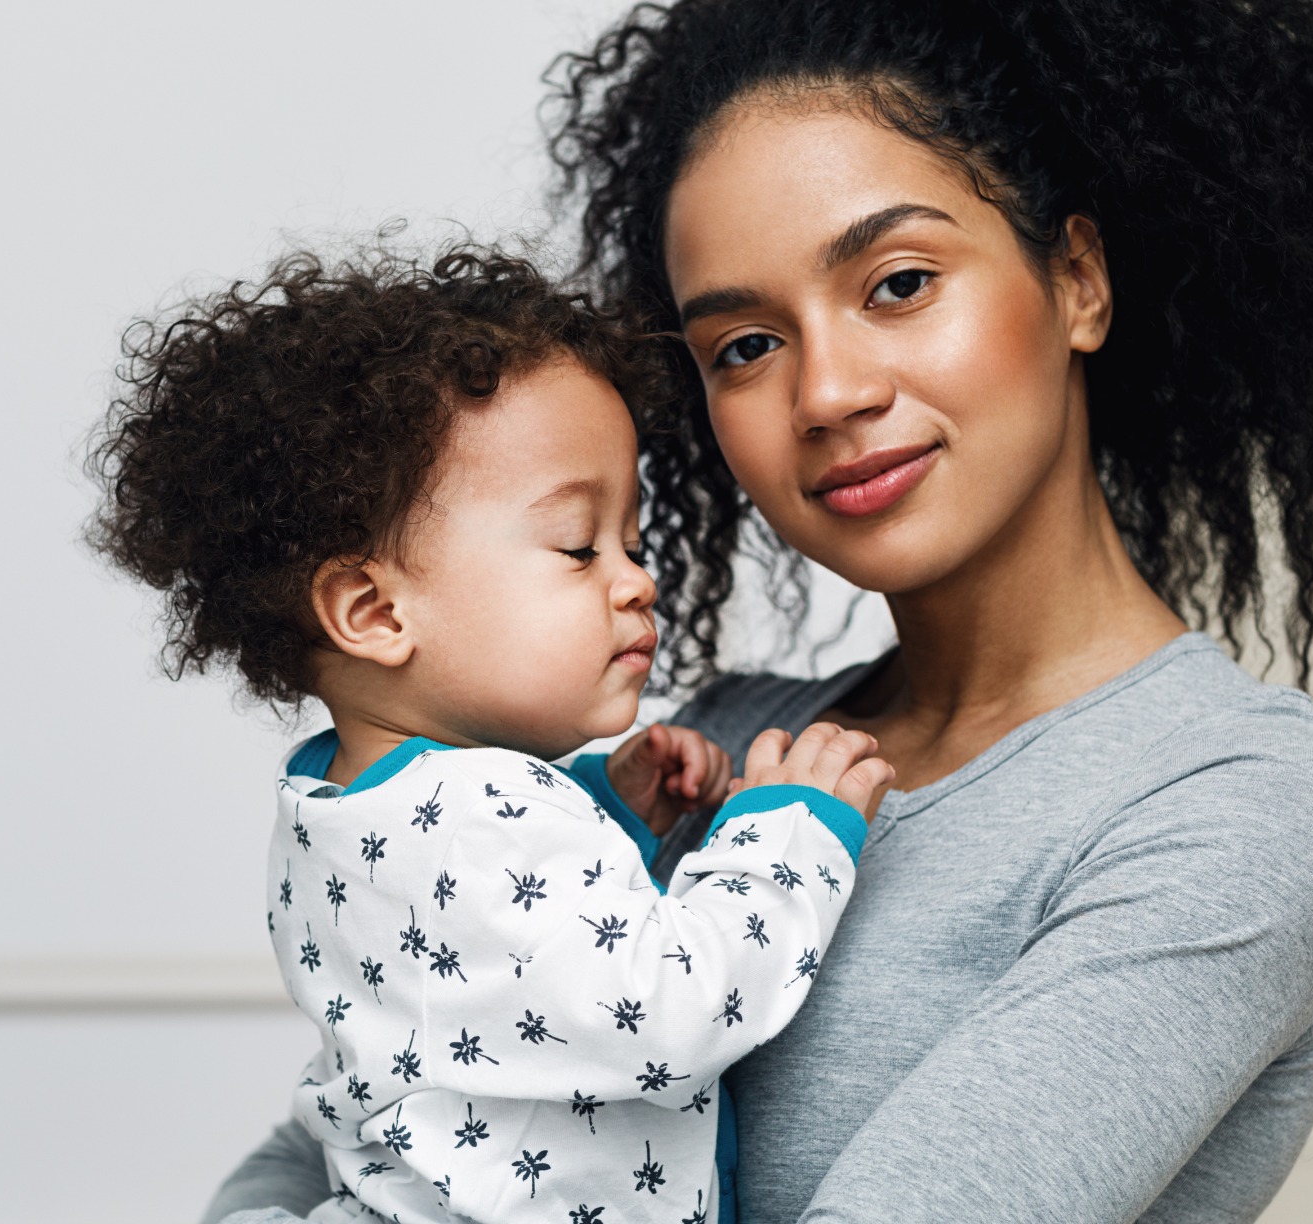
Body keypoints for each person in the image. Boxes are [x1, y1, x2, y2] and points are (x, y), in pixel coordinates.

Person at [205, 1, 1313, 1220]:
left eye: (898, 283)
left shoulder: (1227, 806)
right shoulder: (705, 753)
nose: (828, 390)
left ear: (1075, 280)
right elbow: (373, 1136)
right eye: (745, 345)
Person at [87, 245, 896, 1220]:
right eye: (575, 546)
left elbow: (492, 977)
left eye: (632, 543)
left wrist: (606, 809)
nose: (637, 579)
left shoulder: (330, 805)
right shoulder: (482, 816)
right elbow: (665, 1016)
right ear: (376, 613)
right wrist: (786, 833)